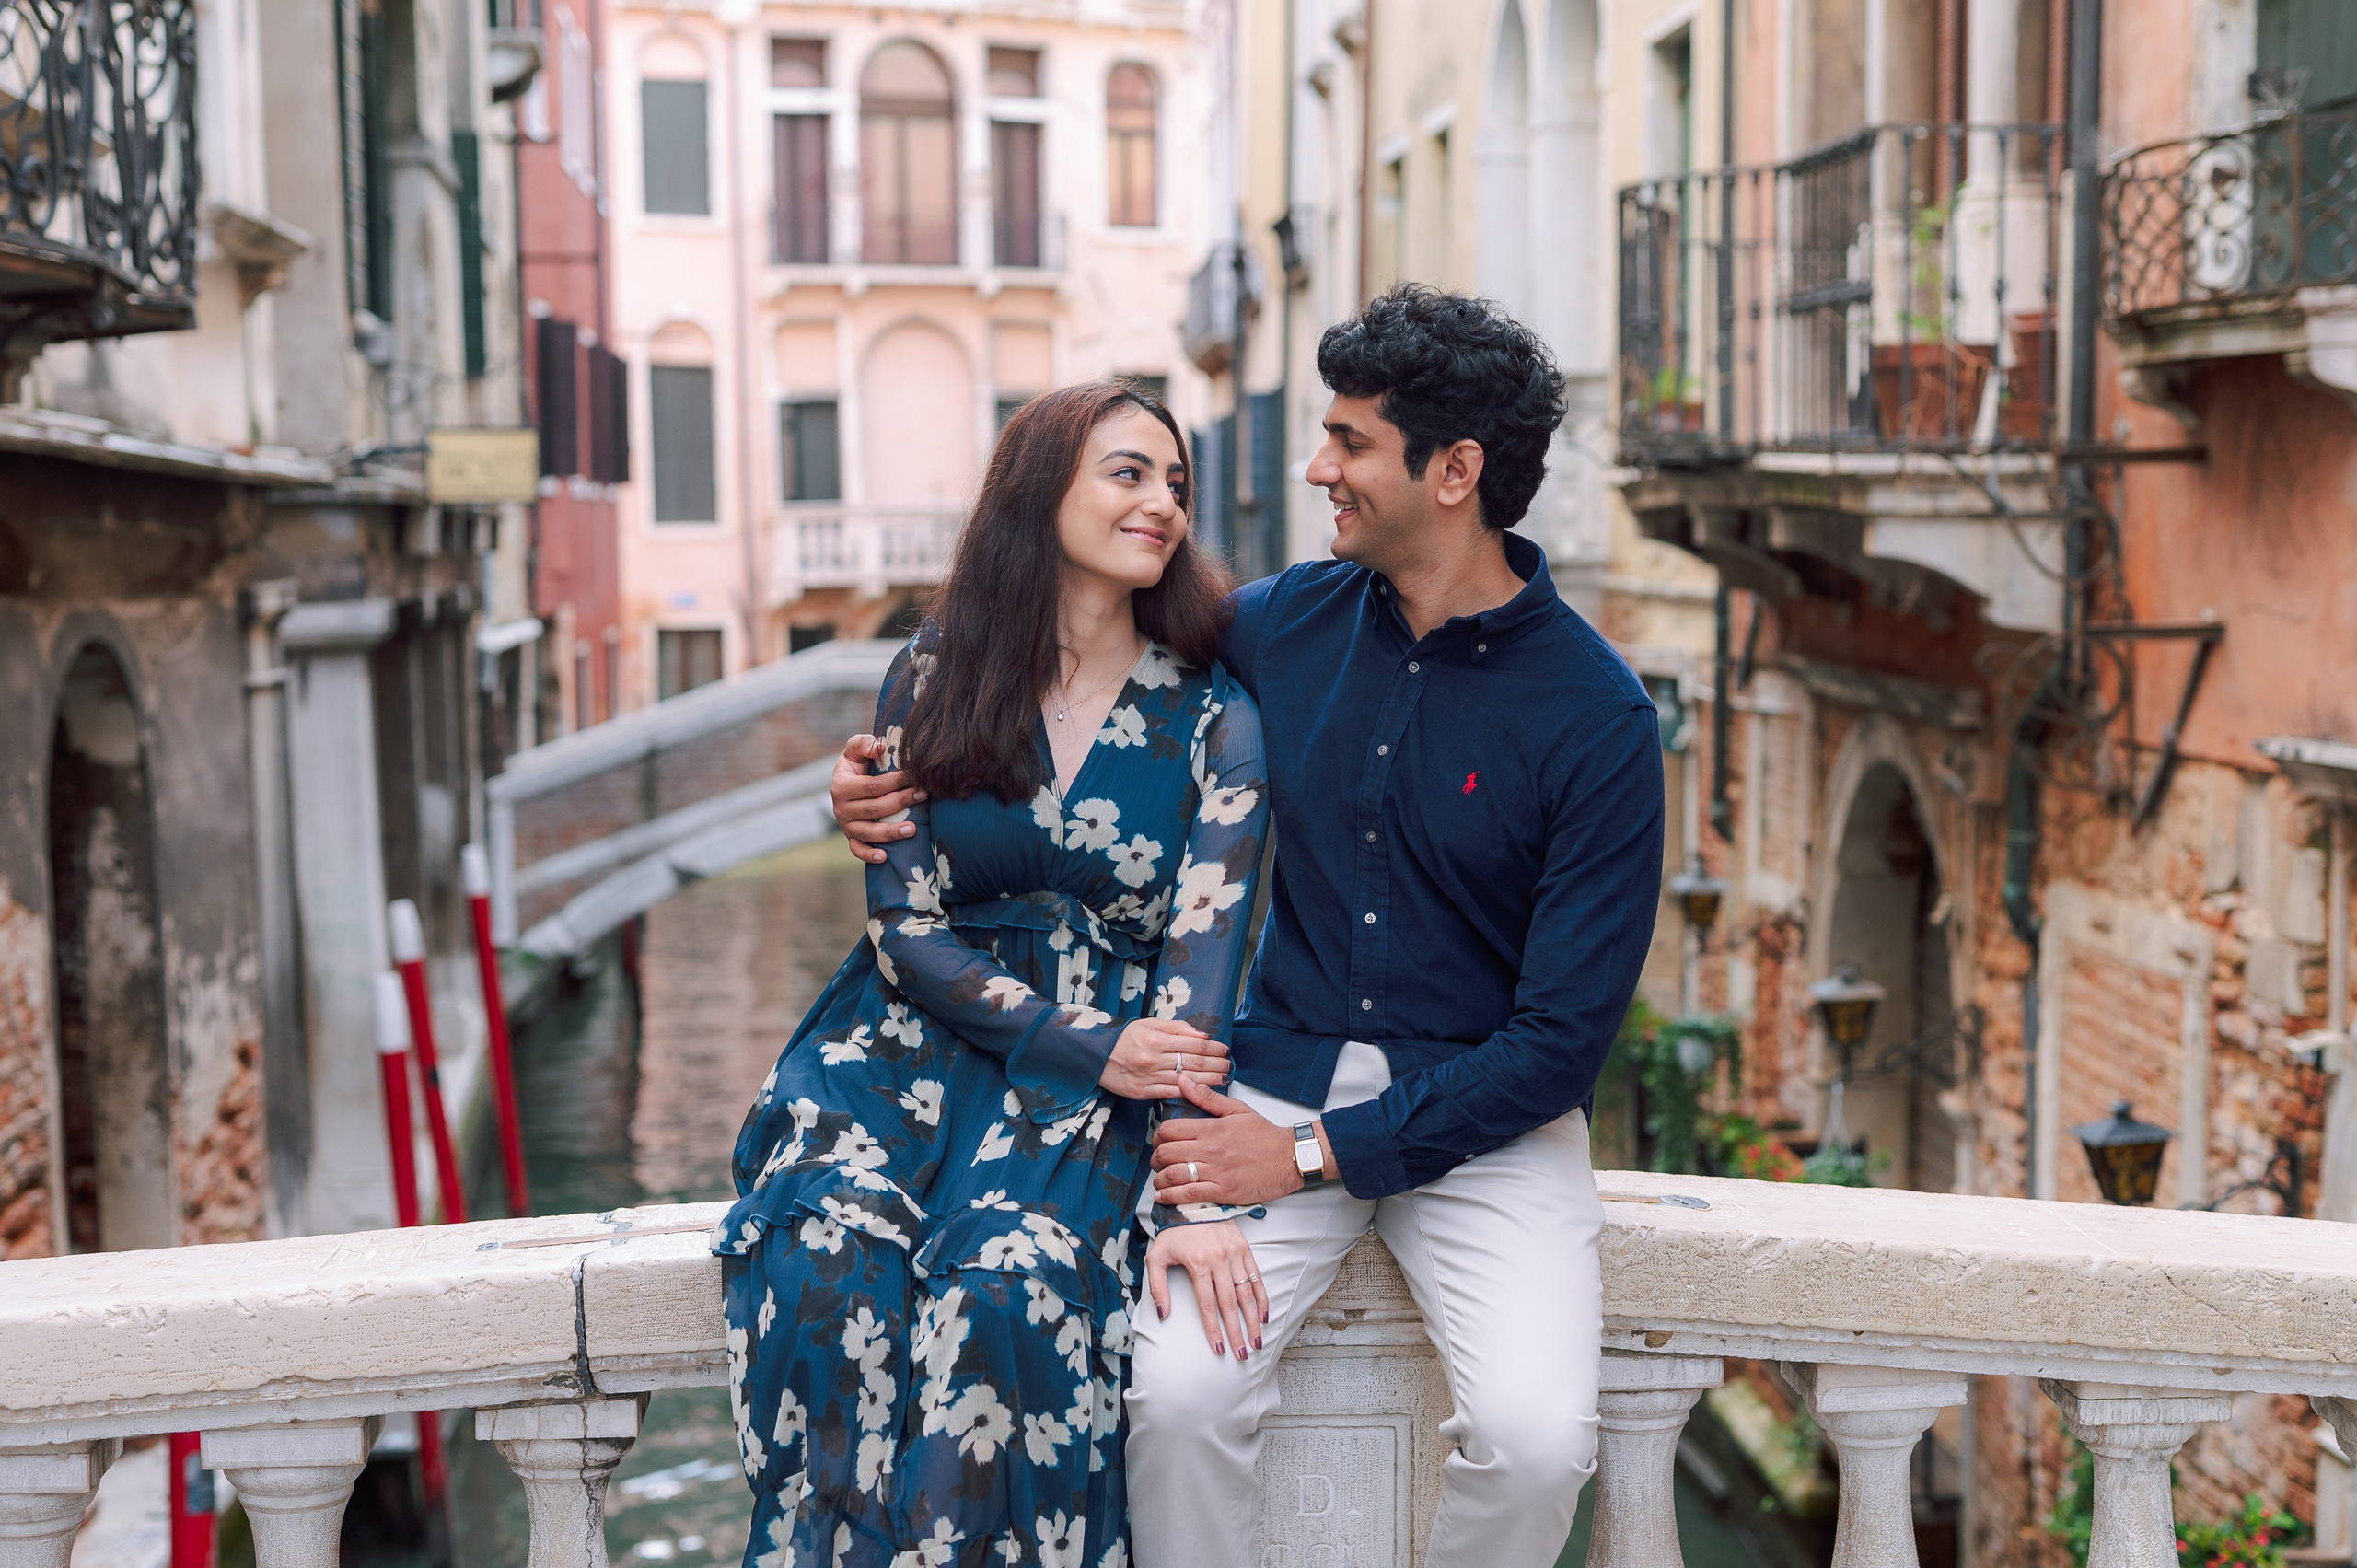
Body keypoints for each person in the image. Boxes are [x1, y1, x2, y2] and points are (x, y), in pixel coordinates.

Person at [832, 286, 1665, 1568]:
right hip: (1259, 1086)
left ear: (1455, 473)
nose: (1317, 467)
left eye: (1350, 444)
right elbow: (1067, 649)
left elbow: (1560, 1042)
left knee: (1537, 1437)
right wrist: (893, 777)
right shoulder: (1278, 624)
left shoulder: (1600, 719)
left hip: (1485, 1121)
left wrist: (1317, 1159)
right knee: (1180, 1395)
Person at [717, 379, 1271, 1568]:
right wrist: (1089, 1040)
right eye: (1128, 473)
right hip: (902, 1057)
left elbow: (1196, 984)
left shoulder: (1216, 719)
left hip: (1080, 1104)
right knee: (823, 1256)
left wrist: (1187, 1192)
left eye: (1177, 482)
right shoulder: (930, 679)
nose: (1163, 502)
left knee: (1006, 1293)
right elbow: (902, 931)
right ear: (1041, 488)